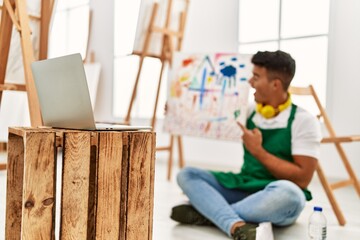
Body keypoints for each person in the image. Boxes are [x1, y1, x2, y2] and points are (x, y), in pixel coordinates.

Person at [170, 50, 322, 240]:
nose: (250, 82)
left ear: (275, 84)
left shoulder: (303, 121)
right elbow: (205, 117)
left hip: (273, 196)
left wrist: (258, 151)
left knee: (291, 194)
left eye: (256, 77)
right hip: (243, 188)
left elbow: (302, 180)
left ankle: (213, 214)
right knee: (187, 174)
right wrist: (178, 108)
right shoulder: (246, 112)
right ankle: (233, 222)